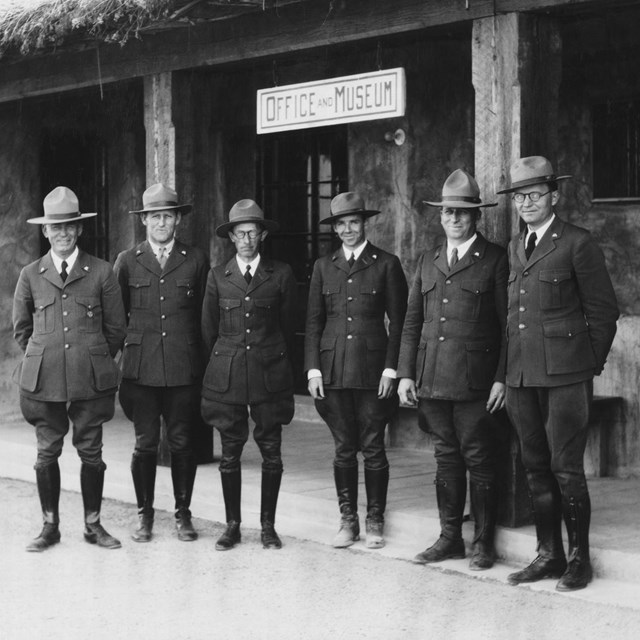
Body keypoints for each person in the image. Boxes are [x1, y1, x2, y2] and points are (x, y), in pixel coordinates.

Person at [497, 156, 619, 591]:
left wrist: (587, 366)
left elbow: (603, 313)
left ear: (553, 196)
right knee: (535, 466)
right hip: (521, 377)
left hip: (566, 376)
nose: (526, 202)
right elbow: (515, 316)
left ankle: (578, 560)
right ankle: (548, 554)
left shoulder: (576, 243)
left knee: (566, 467)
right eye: (519, 196)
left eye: (534, 194)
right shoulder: (516, 246)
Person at [397, 170, 507, 570]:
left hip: (476, 381)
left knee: (479, 457)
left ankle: (482, 543)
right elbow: (413, 322)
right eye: (448, 212)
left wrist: (501, 377)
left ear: (476, 216)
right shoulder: (428, 260)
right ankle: (449, 538)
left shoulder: (495, 259)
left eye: (462, 212)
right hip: (433, 379)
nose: (455, 219)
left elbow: (508, 324)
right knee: (445, 458)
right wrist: (407, 373)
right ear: (440, 216)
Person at [13, 186, 126, 552]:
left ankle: (93, 525)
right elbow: (22, 330)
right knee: (47, 452)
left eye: (69, 226)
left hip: (90, 378)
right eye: (55, 227)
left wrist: (89, 357)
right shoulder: (31, 274)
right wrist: (46, 357)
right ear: (44, 231)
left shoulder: (102, 272)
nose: (62, 233)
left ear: (79, 229)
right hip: (43, 379)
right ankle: (50, 526)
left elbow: (116, 330)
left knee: (91, 451)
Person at [305, 192, 408, 549]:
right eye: (341, 224)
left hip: (373, 372)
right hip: (332, 372)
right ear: (334, 228)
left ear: (364, 224)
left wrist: (392, 370)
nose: (348, 229)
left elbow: (400, 324)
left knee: (373, 447)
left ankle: (375, 519)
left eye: (353, 222)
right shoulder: (323, 266)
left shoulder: (386, 264)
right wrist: (313, 370)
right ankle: (348, 520)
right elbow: (314, 322)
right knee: (343, 448)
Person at [113, 183, 209, 543]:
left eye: (168, 216)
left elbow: (204, 315)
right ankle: (145, 515)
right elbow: (116, 316)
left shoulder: (195, 259)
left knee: (183, 442)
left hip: (184, 368)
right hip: (140, 370)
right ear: (144, 222)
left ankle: (183, 514)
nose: (161, 222)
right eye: (155, 216)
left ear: (177, 220)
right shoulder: (127, 260)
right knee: (145, 444)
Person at [201, 199, 296, 551]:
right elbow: (208, 332)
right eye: (239, 233)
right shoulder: (217, 276)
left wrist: (276, 360)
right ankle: (232, 525)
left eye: (252, 233)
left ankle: (268, 526)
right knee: (230, 452)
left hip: (270, 375)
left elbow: (289, 327)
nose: (246, 240)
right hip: (228, 377)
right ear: (231, 238)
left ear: (263, 235)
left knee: (271, 452)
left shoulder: (281, 274)